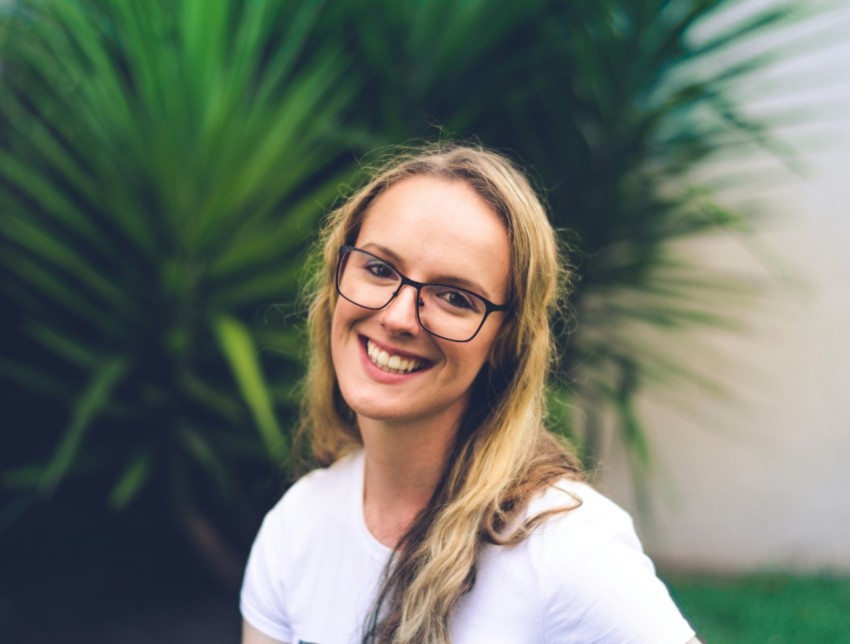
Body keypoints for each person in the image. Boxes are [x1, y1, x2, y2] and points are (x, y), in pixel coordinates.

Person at [240, 143, 699, 643]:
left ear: (505, 342)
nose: (397, 317)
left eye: (455, 297)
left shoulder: (564, 546)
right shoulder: (296, 527)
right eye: (378, 268)